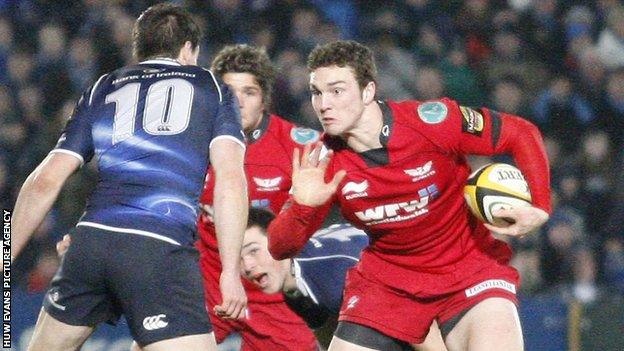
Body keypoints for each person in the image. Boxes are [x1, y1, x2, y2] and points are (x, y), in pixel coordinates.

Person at [268, 40, 551, 351]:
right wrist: (303, 207)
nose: (323, 104)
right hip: (388, 285)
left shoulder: (433, 122)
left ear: (368, 91)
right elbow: (280, 248)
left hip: (468, 269)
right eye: (316, 92)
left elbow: (520, 133)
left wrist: (540, 205)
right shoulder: (321, 163)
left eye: (336, 91)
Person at [11, 4, 248, 351]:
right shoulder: (211, 86)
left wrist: (5, 256)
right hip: (158, 246)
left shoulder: (102, 87)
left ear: (141, 49)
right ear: (187, 49)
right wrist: (230, 271)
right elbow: (230, 178)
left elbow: (45, 180)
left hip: (90, 243)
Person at [197, 44, 319, 350]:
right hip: (208, 286)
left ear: (264, 98)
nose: (237, 102)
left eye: (248, 92)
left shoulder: (298, 147)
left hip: (270, 293)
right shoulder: (192, 148)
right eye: (228, 92)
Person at [240, 208, 447, 351]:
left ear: (277, 238)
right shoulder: (294, 283)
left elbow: (410, 313)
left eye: (253, 251)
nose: (247, 266)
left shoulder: (330, 273)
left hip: (438, 278)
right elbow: (327, 329)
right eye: (237, 259)